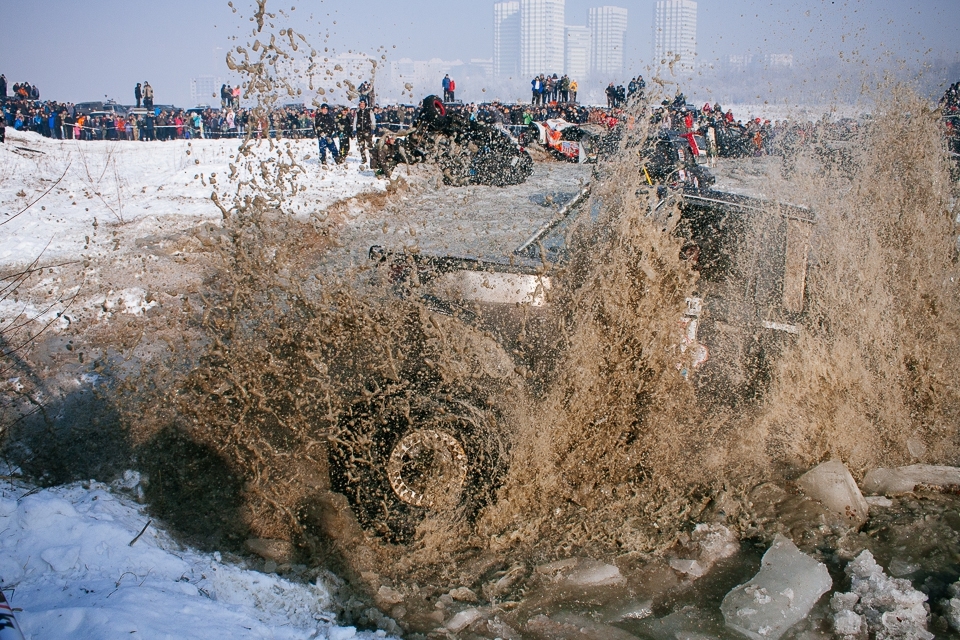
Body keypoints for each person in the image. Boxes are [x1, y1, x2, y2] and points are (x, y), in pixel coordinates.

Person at [352, 98, 377, 169]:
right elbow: (355, 121)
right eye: (360, 104)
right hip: (360, 131)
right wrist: (354, 129)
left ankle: (372, 158)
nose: (362, 105)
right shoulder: (358, 112)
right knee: (361, 145)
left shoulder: (369, 111)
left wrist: (373, 128)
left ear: (365, 104)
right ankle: (363, 158)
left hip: (367, 130)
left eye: (363, 104)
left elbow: (373, 119)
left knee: (369, 145)